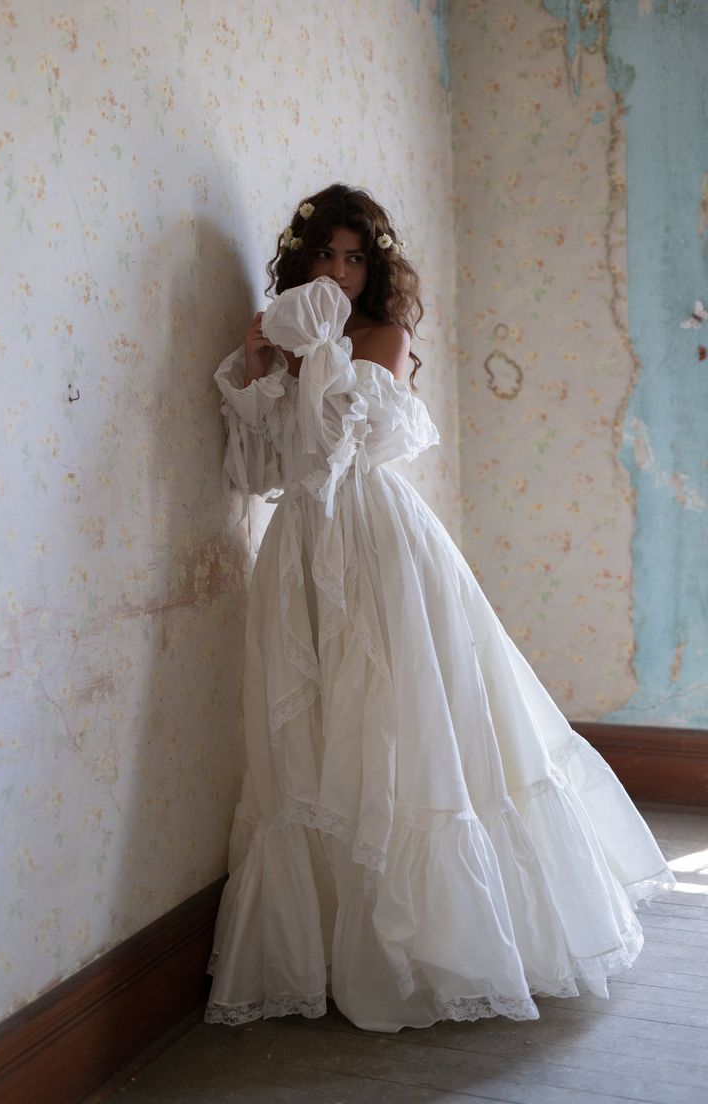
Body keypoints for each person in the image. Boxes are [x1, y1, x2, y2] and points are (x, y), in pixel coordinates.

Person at [204, 183, 675, 1032]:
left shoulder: (383, 335)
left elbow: (350, 442)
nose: (340, 272)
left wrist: (312, 357)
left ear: (372, 266)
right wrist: (255, 366)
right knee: (312, 728)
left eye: (355, 257)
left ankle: (437, 939)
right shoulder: (288, 337)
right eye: (326, 255)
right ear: (303, 258)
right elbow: (262, 472)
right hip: (301, 548)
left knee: (400, 712)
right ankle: (324, 935)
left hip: (377, 539)